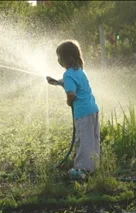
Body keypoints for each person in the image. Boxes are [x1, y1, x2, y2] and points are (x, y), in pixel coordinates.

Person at [46, 40, 100, 181]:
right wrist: (57, 82)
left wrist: (69, 102)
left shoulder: (68, 74)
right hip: (92, 109)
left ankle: (81, 170)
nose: (58, 60)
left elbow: (72, 94)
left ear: (65, 58)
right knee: (92, 139)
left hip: (82, 112)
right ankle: (93, 166)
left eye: (59, 57)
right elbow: (74, 83)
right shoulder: (79, 71)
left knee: (82, 140)